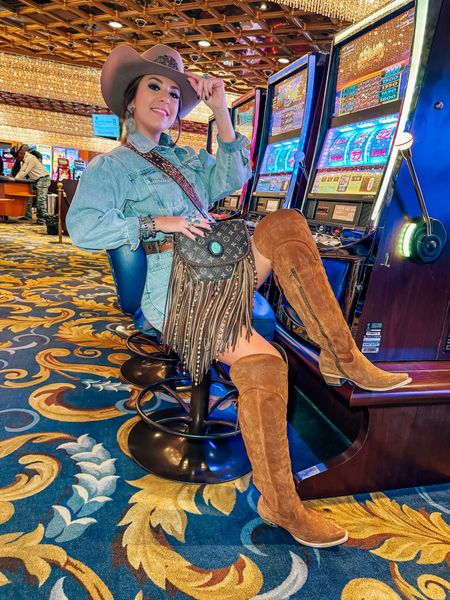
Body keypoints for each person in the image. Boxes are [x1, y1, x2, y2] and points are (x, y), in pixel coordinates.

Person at [67, 44, 411, 549]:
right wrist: (153, 221)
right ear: (130, 101)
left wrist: (223, 109)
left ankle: (341, 356)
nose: (165, 98)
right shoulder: (111, 167)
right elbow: (82, 226)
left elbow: (235, 174)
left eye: (173, 92)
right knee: (267, 365)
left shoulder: (183, 157)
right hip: (173, 288)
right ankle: (282, 504)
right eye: (154, 87)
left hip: (215, 266)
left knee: (286, 223)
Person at [14, 144, 50, 224]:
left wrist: (14, 180)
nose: (18, 159)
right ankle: (38, 218)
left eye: (18, 157)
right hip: (38, 179)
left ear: (21, 153)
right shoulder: (27, 159)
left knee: (41, 200)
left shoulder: (30, 158)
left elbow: (24, 171)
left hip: (43, 178)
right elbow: (22, 171)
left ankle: (42, 220)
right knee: (36, 199)